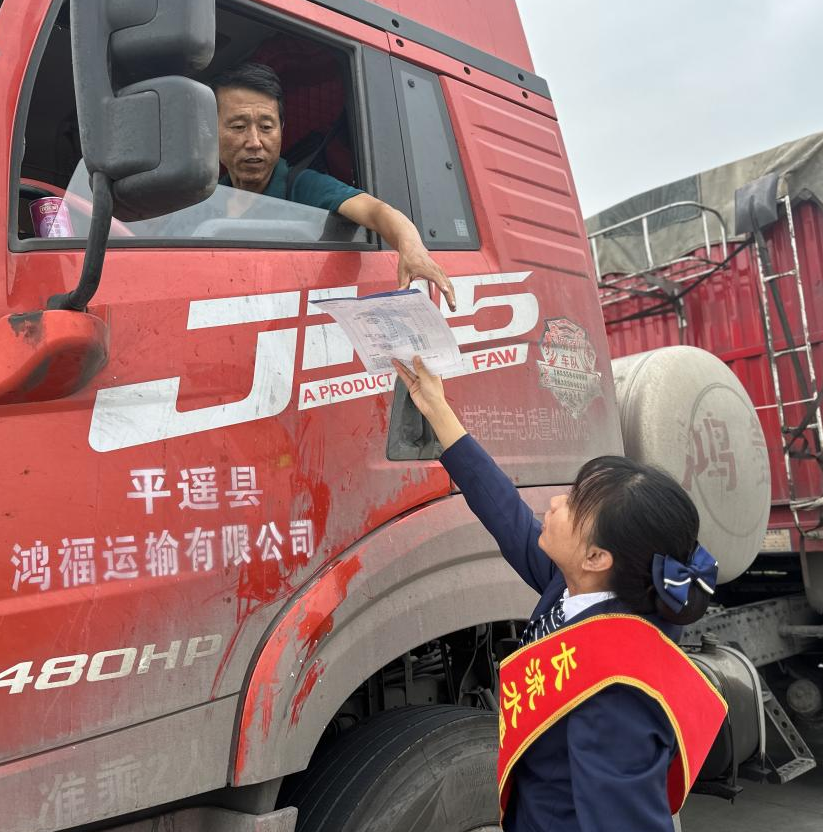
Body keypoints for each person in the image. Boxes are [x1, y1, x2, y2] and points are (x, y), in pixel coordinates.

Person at [391, 356, 728, 832]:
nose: (553, 503)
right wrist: (438, 410)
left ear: (597, 557)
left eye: (572, 505)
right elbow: (503, 511)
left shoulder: (617, 690)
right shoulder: (574, 585)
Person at [213, 62, 456, 310]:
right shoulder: (207, 196)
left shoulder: (302, 185)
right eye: (238, 127)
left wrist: (412, 248)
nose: (254, 142)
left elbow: (375, 211)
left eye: (266, 127)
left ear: (281, 129)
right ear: (212, 128)